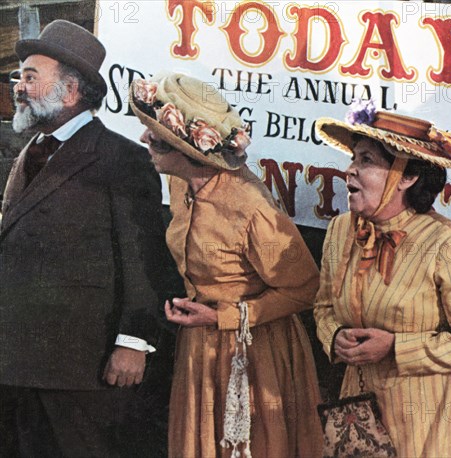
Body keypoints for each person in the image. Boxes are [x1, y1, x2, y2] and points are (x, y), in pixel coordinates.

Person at [0, 20, 179, 457]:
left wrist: (133, 342)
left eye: (30, 76)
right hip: (16, 361)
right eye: (16, 76)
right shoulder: (30, 152)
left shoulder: (123, 160)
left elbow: (145, 261)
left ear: (72, 89)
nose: (18, 87)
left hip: (81, 366)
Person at [130, 72, 323, 457]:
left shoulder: (250, 207)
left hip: (255, 352)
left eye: (154, 138)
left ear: (184, 150)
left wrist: (226, 317)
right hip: (200, 347)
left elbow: (305, 289)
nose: (143, 141)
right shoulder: (180, 182)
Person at [313, 101, 451, 457]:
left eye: (366, 160)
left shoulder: (444, 242)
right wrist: (334, 337)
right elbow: (322, 307)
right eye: (354, 158)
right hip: (360, 414)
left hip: (432, 418)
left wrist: (396, 347)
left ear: (406, 177)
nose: (350, 170)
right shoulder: (339, 230)